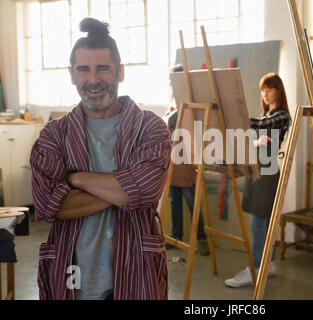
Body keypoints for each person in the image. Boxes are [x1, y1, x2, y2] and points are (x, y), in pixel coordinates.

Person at [30, 18, 171, 300]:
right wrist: (125, 190)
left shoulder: (150, 127)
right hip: (72, 277)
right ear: (72, 74)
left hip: (135, 273)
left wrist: (74, 178)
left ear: (120, 72)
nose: (93, 80)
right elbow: (47, 205)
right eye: (84, 69)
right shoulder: (54, 135)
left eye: (103, 69)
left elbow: (145, 191)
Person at [225, 73, 291, 288]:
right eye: (263, 90)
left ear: (278, 91)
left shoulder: (281, 116)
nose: (265, 94)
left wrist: (238, 119)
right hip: (257, 171)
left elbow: (258, 126)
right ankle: (267, 265)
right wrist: (253, 140)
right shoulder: (264, 115)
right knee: (259, 223)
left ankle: (255, 270)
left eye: (269, 89)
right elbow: (251, 136)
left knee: (259, 224)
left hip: (268, 174)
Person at [164, 65, 209, 255]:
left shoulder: (191, 103)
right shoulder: (174, 105)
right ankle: (176, 237)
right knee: (175, 201)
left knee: (193, 202)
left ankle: (202, 239)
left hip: (187, 160)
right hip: (173, 162)